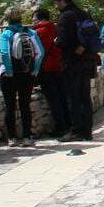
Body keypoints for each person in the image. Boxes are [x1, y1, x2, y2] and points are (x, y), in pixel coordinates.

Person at [0, 6, 45, 147]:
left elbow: (5, 53)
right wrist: (34, 70)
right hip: (27, 74)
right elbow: (40, 52)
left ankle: (12, 138)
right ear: (21, 18)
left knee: (10, 106)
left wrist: (9, 71)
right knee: (25, 105)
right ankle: (27, 136)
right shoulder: (30, 32)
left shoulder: (6, 34)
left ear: (7, 19)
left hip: (9, 76)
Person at [53, 0, 96, 142]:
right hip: (87, 60)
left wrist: (56, 41)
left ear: (62, 2)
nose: (56, 5)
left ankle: (77, 131)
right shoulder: (84, 13)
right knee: (85, 97)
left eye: (57, 2)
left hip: (72, 61)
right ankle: (87, 131)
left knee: (73, 97)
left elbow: (63, 40)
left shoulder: (66, 16)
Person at [33, 7, 70, 138]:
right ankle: (68, 124)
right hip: (59, 66)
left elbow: (38, 51)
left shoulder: (38, 32)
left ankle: (60, 127)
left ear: (38, 18)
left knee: (53, 100)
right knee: (62, 96)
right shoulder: (56, 28)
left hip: (46, 68)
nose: (32, 20)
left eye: (34, 18)